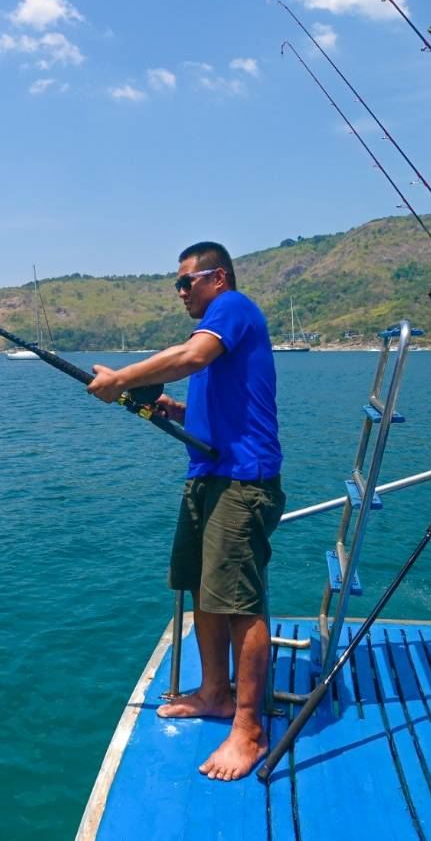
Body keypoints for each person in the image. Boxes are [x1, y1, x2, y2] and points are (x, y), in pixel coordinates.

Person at [86, 241, 284, 782]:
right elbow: (212, 406)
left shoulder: (232, 308)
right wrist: (170, 406)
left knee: (240, 604)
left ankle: (248, 729)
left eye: (185, 282)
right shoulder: (216, 333)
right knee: (205, 593)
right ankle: (215, 693)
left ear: (217, 278)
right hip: (207, 478)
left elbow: (192, 356)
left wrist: (122, 379)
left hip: (242, 483)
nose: (179, 292)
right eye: (176, 284)